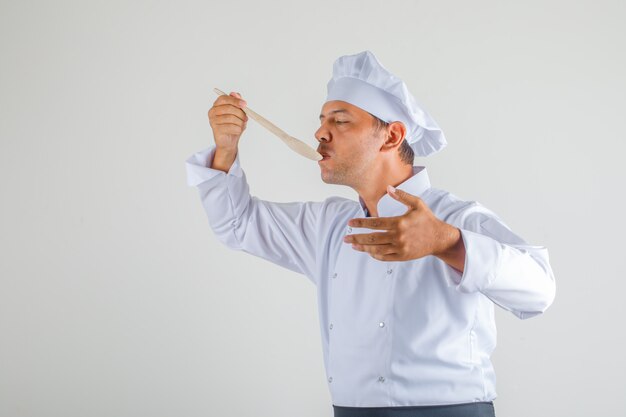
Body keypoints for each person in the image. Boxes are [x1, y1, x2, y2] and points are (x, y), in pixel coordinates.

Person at [185, 50, 556, 417]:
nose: (319, 132)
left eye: (340, 120)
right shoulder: (329, 226)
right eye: (322, 119)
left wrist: (447, 242)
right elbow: (238, 224)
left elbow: (540, 289)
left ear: (392, 136)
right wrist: (226, 148)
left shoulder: (456, 217)